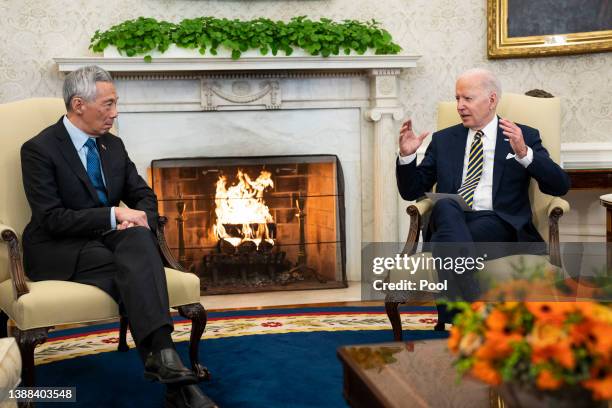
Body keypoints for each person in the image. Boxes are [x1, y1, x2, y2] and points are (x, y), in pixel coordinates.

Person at [20, 65, 215, 408]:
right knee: (135, 268)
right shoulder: (39, 149)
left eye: (115, 103)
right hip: (58, 247)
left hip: (110, 239)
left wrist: (136, 221)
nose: (115, 113)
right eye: (108, 104)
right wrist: (114, 214)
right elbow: (51, 219)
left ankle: (165, 364)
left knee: (139, 242)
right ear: (79, 105)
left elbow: (145, 198)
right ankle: (175, 378)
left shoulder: (113, 146)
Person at [396, 68, 570, 329]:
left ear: (491, 100)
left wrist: (524, 154)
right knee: (446, 205)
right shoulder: (444, 140)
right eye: (457, 99)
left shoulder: (522, 135)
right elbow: (412, 191)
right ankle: (475, 308)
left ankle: (459, 313)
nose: (460, 106)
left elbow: (560, 185)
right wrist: (407, 157)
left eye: (467, 99)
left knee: (446, 235)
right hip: (451, 220)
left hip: (499, 225)